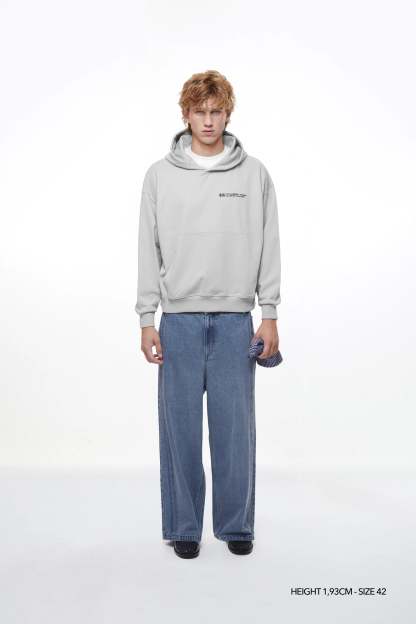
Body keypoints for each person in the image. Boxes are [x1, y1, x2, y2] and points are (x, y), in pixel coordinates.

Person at [135, 69, 281, 559]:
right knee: (179, 430)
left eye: (217, 111)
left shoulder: (253, 174)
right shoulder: (159, 176)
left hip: (236, 321)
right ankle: (183, 525)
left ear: (228, 114)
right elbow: (148, 249)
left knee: (234, 432)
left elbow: (269, 246)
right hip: (178, 321)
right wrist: (147, 318)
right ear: (186, 114)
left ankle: (237, 525)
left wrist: (269, 312)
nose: (209, 120)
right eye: (200, 112)